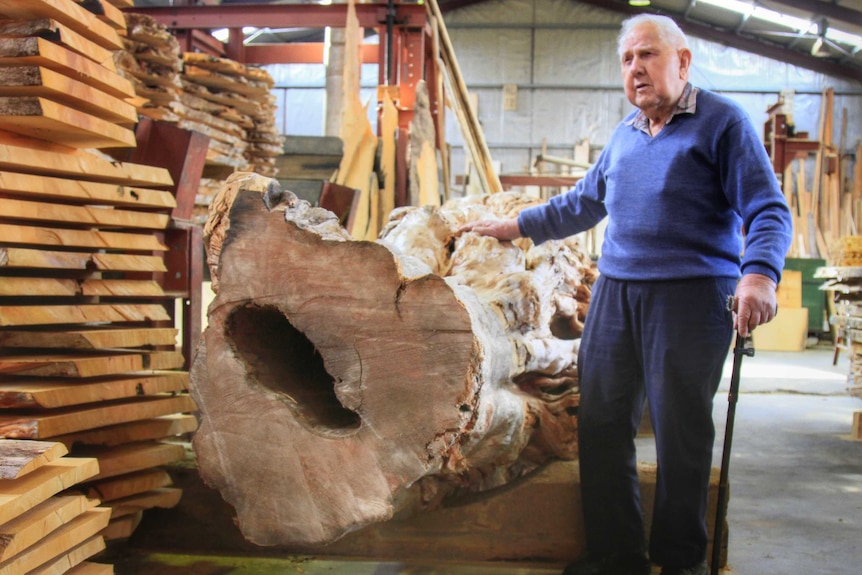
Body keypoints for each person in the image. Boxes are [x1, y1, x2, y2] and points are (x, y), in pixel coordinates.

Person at [459, 13, 793, 575]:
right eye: (627, 59)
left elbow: (768, 209)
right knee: (604, 423)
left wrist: (758, 274)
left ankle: (680, 561)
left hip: (691, 296)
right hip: (617, 292)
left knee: (680, 430)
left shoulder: (723, 124)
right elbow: (583, 203)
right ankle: (617, 556)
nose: (636, 68)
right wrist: (515, 225)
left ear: (682, 62)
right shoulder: (626, 134)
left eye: (648, 55)